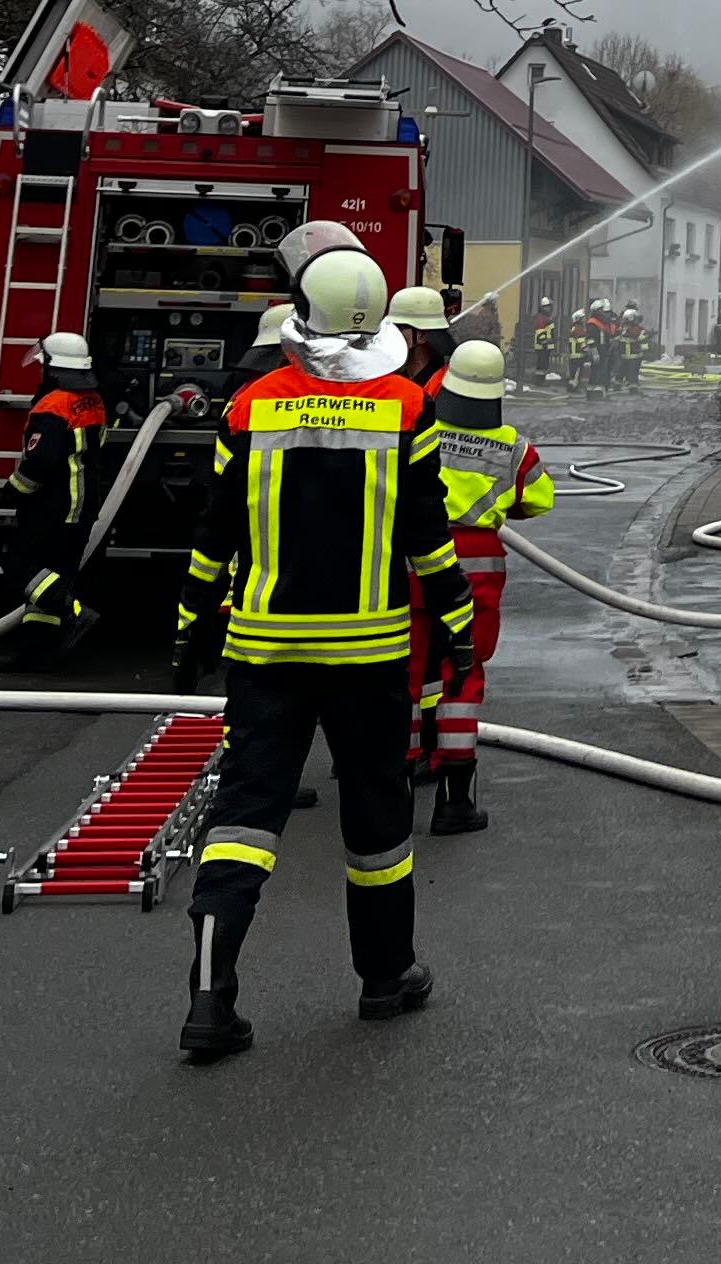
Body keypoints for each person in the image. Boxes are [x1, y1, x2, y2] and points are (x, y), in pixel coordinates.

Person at [169, 248, 475, 1062]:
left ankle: (210, 996)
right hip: (369, 654)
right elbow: (426, 537)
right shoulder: (407, 408)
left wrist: (191, 621)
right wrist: (457, 619)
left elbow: (214, 534)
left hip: (265, 649)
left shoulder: (249, 408)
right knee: (376, 820)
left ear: (302, 317)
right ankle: (385, 977)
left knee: (245, 814)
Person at [414, 342, 553, 834]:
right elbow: (538, 501)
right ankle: (454, 803)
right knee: (462, 673)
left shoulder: (421, 430)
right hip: (479, 569)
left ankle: (403, 768)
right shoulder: (514, 446)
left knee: (408, 669)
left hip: (415, 559)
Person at [0, 331, 110, 670]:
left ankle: (74, 612)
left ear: (53, 368)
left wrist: (13, 490)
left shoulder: (51, 407)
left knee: (19, 567)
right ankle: (36, 651)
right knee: (52, 576)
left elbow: (41, 462)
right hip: (82, 507)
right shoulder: (92, 400)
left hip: (53, 507)